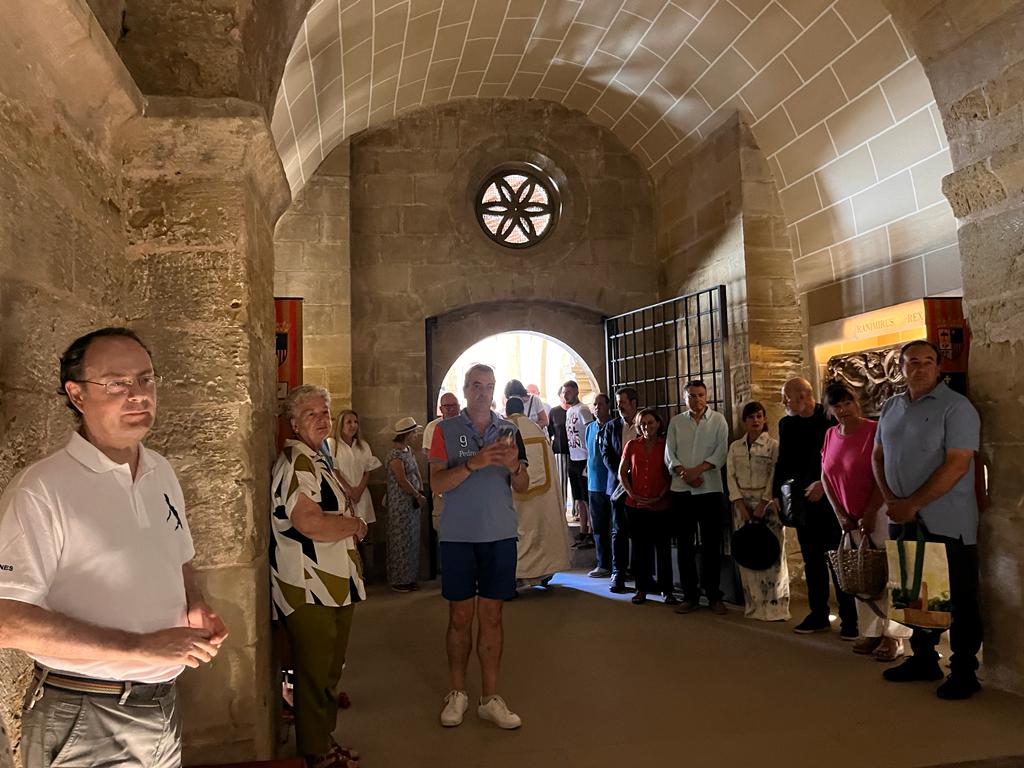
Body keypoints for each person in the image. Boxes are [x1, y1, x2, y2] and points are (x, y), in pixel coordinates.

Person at [0, 327, 228, 768]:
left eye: (146, 379)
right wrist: (143, 647)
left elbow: (179, 558)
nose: (138, 394)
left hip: (161, 704)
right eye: (117, 383)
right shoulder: (42, 489)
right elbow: (6, 621)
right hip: (85, 712)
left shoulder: (160, 471)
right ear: (78, 394)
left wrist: (195, 604)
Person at [873, 341, 983, 699]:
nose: (919, 368)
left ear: (939, 367)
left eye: (927, 362)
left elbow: (957, 464)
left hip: (947, 521)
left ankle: (965, 669)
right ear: (901, 367)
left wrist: (914, 503)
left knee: (960, 597)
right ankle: (924, 659)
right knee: (914, 593)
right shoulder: (891, 405)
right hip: (902, 518)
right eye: (912, 362)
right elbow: (877, 456)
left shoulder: (957, 407)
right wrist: (891, 499)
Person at [271, 384, 368, 768]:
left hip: (331, 583)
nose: (321, 419)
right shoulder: (299, 462)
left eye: (324, 411)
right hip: (309, 585)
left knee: (328, 672)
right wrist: (355, 525)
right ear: (293, 423)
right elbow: (308, 522)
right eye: (310, 414)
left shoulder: (318, 457)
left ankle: (324, 741)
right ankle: (315, 754)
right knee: (313, 677)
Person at [429, 364, 529, 729]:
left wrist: (516, 466)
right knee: (460, 617)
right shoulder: (445, 430)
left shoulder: (509, 430)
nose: (483, 392)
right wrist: (474, 463)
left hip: (500, 534)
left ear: (495, 390)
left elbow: (522, 485)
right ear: (466, 389)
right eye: (476, 385)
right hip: (458, 536)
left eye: (489, 386)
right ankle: (457, 692)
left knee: (493, 617)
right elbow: (437, 483)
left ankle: (490, 697)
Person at [820, 382, 912, 661]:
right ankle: (871, 631)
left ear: (856, 402)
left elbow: (880, 473)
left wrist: (870, 512)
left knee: (890, 573)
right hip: (848, 517)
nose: (842, 409)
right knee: (861, 575)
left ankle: (893, 636)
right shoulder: (830, 435)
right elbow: (825, 475)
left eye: (847, 402)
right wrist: (839, 513)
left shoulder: (874, 430)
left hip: (880, 512)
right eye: (836, 405)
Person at [775, 377, 858, 637]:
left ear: (802, 395)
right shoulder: (787, 424)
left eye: (786, 398)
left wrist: (823, 484)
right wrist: (776, 493)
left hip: (831, 500)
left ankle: (850, 620)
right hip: (802, 502)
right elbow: (784, 461)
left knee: (838, 559)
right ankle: (819, 614)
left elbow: (842, 456)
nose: (784, 403)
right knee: (812, 560)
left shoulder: (829, 417)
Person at [665, 380, 729, 615]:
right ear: (685, 398)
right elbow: (669, 454)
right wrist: (684, 473)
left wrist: (698, 470)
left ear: (707, 396)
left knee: (712, 545)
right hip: (682, 491)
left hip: (710, 489)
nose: (696, 399)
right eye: (691, 396)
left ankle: (713, 594)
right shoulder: (676, 422)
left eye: (700, 395)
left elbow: (721, 452)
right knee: (684, 545)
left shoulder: (718, 421)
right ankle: (690, 595)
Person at [726, 401, 790, 621]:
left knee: (772, 554)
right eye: (751, 417)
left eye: (759, 416)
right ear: (744, 421)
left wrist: (764, 502)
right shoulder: (735, 447)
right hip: (742, 503)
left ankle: (776, 606)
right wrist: (739, 502)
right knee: (748, 553)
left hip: (767, 504)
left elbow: (774, 474)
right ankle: (753, 604)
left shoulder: (773, 446)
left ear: (764, 420)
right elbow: (730, 476)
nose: (755, 421)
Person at [504, 397, 571, 588]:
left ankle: (517, 574)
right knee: (542, 529)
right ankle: (543, 572)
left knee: (516, 535)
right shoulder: (536, 431)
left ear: (507, 410)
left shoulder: (503, 430)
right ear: (523, 409)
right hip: (541, 496)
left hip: (512, 494)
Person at [619, 408, 675, 606]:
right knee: (641, 549)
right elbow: (622, 472)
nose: (647, 427)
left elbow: (672, 472)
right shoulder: (632, 445)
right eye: (643, 424)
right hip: (636, 505)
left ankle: (667, 590)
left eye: (650, 423)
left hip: (661, 504)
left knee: (663, 549)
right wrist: (631, 493)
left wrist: (661, 494)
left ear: (658, 423)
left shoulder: (666, 445)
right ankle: (641, 588)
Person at [602, 386, 639, 593]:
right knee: (619, 531)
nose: (619, 406)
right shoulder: (612, 426)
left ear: (633, 403)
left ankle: (641, 572)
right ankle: (618, 572)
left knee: (640, 531)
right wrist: (621, 474)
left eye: (622, 402)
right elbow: (605, 452)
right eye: (618, 403)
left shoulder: (644, 423)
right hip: (617, 485)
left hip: (641, 486)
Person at [386, 417, 426, 593]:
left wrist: (421, 489)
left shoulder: (408, 451)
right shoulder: (395, 455)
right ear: (406, 435)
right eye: (414, 432)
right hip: (400, 503)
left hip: (412, 503)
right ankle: (399, 579)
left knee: (411, 540)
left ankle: (410, 577)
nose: (416, 436)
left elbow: (416, 471)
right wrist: (416, 494)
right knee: (401, 540)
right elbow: (402, 480)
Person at [329, 409, 383, 525]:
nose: (353, 425)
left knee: (364, 531)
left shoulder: (363, 445)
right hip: (343, 495)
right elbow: (334, 470)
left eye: (356, 422)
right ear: (340, 424)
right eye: (349, 422)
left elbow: (367, 471)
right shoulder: (332, 444)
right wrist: (349, 490)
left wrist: (358, 491)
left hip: (361, 494)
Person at [563, 381, 595, 548]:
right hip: (573, 458)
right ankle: (582, 531)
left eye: (568, 392)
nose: (565, 395)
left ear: (576, 391)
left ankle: (591, 531)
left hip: (583, 458)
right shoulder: (569, 412)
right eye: (564, 392)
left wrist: (589, 459)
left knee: (587, 499)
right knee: (579, 499)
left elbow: (590, 432)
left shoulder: (583, 409)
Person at [423, 393, 461, 530]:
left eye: (453, 405)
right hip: (442, 487)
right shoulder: (432, 427)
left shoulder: (468, 426)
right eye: (447, 406)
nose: (450, 409)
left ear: (459, 407)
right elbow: (429, 455)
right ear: (441, 408)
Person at [585, 393, 613, 578]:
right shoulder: (589, 428)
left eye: (601, 404)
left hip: (610, 485)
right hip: (594, 484)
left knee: (615, 527)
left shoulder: (614, 427)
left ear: (608, 406)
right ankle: (602, 563)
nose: (597, 408)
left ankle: (618, 564)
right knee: (599, 527)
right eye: (594, 405)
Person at [547, 383, 572, 516]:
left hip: (575, 451)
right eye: (563, 394)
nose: (565, 396)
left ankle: (576, 511)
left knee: (575, 482)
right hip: (559, 450)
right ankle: (562, 511)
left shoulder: (576, 410)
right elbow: (550, 430)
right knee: (561, 482)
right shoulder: (554, 411)